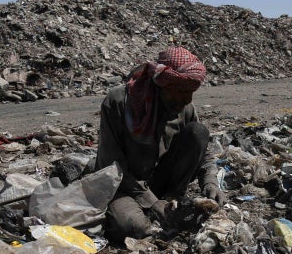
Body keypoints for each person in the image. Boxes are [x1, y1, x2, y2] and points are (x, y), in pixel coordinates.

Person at [94, 46, 225, 241]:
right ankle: (158, 209)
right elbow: (111, 166)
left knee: (198, 132)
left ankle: (171, 200)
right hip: (125, 185)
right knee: (134, 228)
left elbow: (203, 152)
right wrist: (151, 201)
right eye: (181, 91)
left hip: (161, 181)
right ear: (162, 83)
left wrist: (210, 182)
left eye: (191, 92)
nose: (187, 99)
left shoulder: (184, 106)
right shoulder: (119, 102)